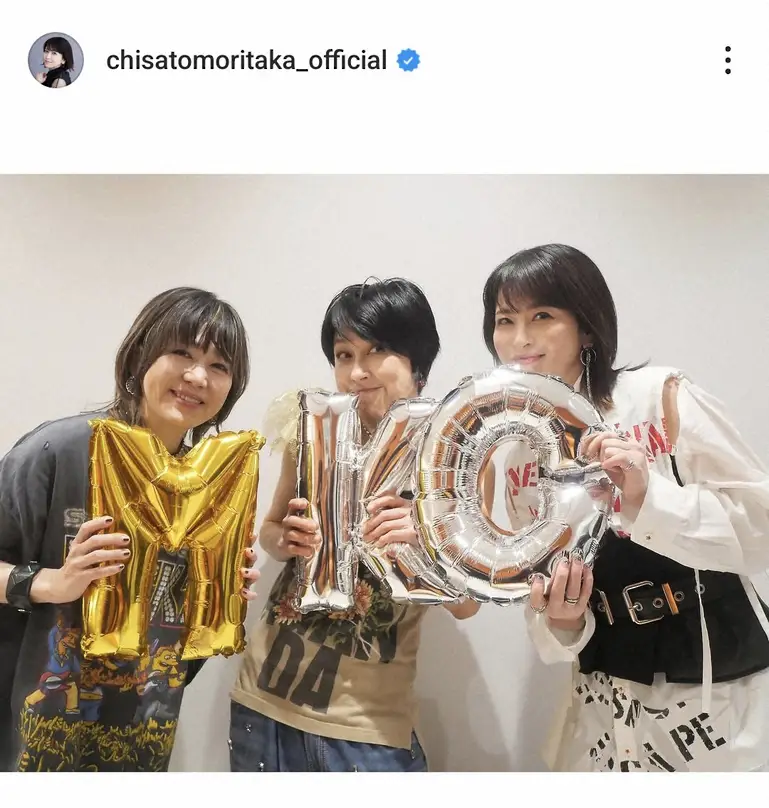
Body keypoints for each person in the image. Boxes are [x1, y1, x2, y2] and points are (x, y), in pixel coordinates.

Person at [482, 243, 769, 771]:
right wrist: (562, 620)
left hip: (716, 688)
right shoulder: (514, 452)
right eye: (505, 320)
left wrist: (645, 498)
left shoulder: (660, 396)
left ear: (586, 328)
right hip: (605, 700)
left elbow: (761, 529)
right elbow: (547, 621)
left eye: (542, 316)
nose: (520, 338)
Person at [0, 287, 260, 771]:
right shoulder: (61, 450)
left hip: (142, 743)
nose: (197, 376)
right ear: (141, 354)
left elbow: (178, 647)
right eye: (181, 352)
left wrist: (217, 597)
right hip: (30, 745)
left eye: (219, 365)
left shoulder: (212, 485)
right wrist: (51, 583)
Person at [230, 277, 479, 772]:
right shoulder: (312, 434)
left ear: (418, 363)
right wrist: (286, 539)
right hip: (264, 696)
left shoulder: (451, 459)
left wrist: (425, 545)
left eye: (377, 351)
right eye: (344, 355)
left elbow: (468, 605)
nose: (357, 371)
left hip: (365, 722)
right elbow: (270, 532)